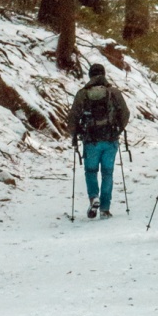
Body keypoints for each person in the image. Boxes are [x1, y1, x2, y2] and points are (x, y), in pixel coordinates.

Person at [67, 63, 129, 219]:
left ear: (90, 76)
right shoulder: (113, 93)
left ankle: (94, 197)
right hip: (110, 139)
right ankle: (105, 208)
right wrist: (117, 130)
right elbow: (125, 113)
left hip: (91, 140)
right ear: (104, 74)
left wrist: (75, 135)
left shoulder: (83, 94)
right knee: (107, 173)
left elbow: (73, 116)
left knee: (91, 171)